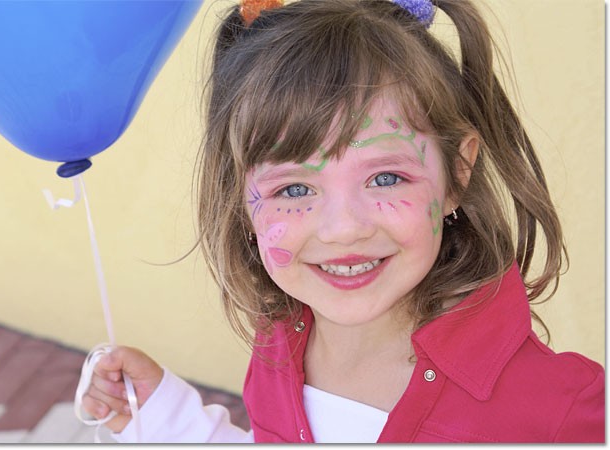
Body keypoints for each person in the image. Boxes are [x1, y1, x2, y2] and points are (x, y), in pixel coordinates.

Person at [81, 0, 605, 443]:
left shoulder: (568, 412)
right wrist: (170, 419)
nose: (342, 229)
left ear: (457, 172)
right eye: (293, 189)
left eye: (385, 179)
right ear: (239, 198)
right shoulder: (281, 337)